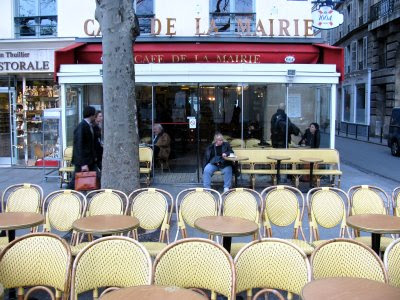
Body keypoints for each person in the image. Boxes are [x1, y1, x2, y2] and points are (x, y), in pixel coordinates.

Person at [69, 106, 97, 189]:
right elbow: (79, 146)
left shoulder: (88, 126)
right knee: (76, 179)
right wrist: (83, 163)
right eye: (94, 115)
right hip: (83, 160)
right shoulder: (82, 126)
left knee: (79, 178)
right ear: (91, 115)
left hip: (88, 160)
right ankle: (67, 193)